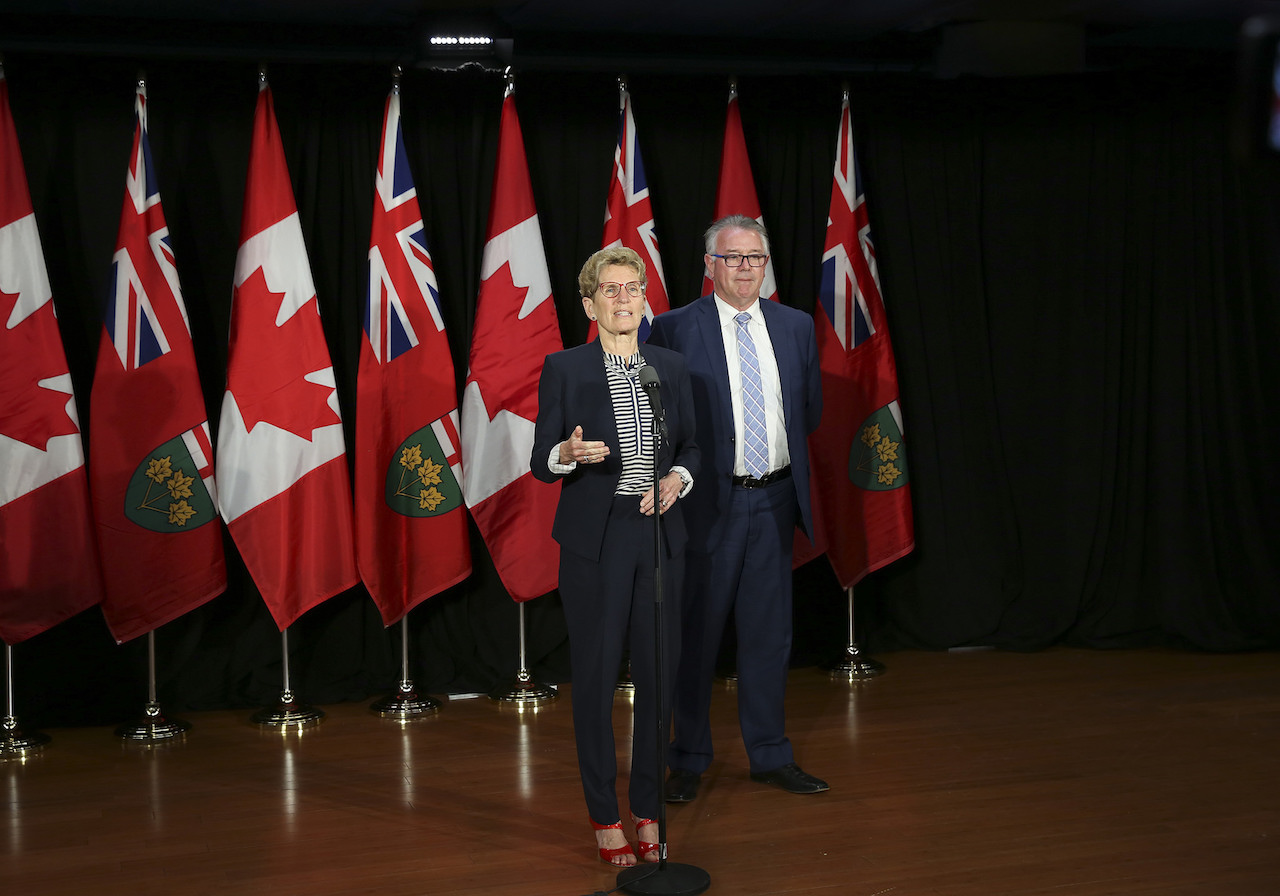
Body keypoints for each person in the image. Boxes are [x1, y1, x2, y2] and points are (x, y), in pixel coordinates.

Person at [530, 246, 699, 866]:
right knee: (598, 680)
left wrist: (678, 477)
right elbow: (540, 458)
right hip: (595, 545)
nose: (622, 299)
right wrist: (566, 456)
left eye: (632, 289)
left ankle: (649, 809)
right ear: (590, 303)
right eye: (610, 290)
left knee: (658, 678)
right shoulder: (565, 369)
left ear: (644, 299)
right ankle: (605, 817)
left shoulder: (671, 368)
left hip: (659, 540)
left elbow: (692, 447)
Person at [647, 214, 826, 801]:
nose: (746, 267)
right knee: (696, 636)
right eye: (733, 258)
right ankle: (688, 759)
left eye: (754, 257)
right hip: (706, 507)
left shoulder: (797, 326)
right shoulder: (673, 329)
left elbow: (809, 412)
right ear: (710, 266)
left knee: (769, 636)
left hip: (774, 501)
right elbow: (658, 420)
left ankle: (770, 755)